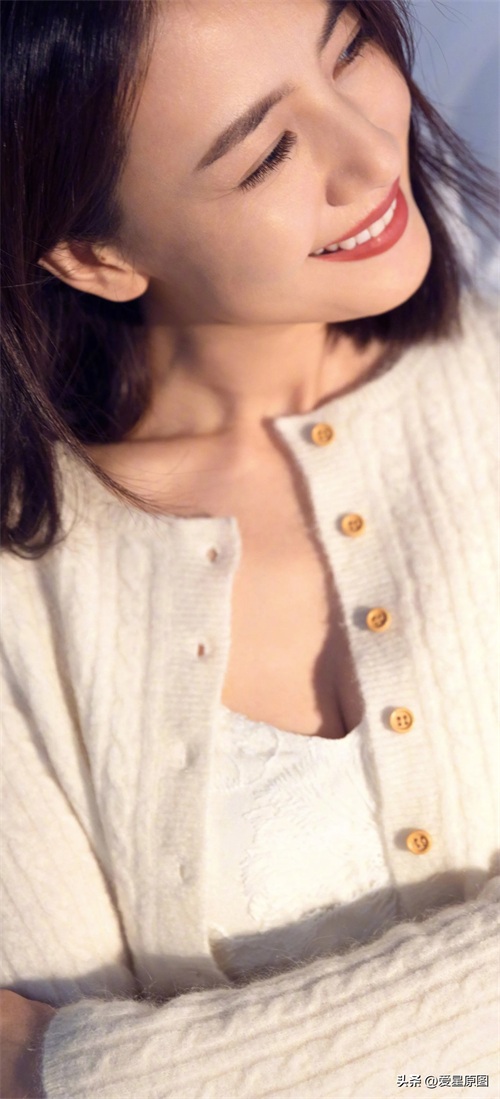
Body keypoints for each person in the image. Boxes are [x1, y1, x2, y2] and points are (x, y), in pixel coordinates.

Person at [1, 1, 498, 1096]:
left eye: (349, 50)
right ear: (92, 254)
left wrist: (81, 1067)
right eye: (266, 151)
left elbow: (32, 1068)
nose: (370, 154)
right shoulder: (23, 591)